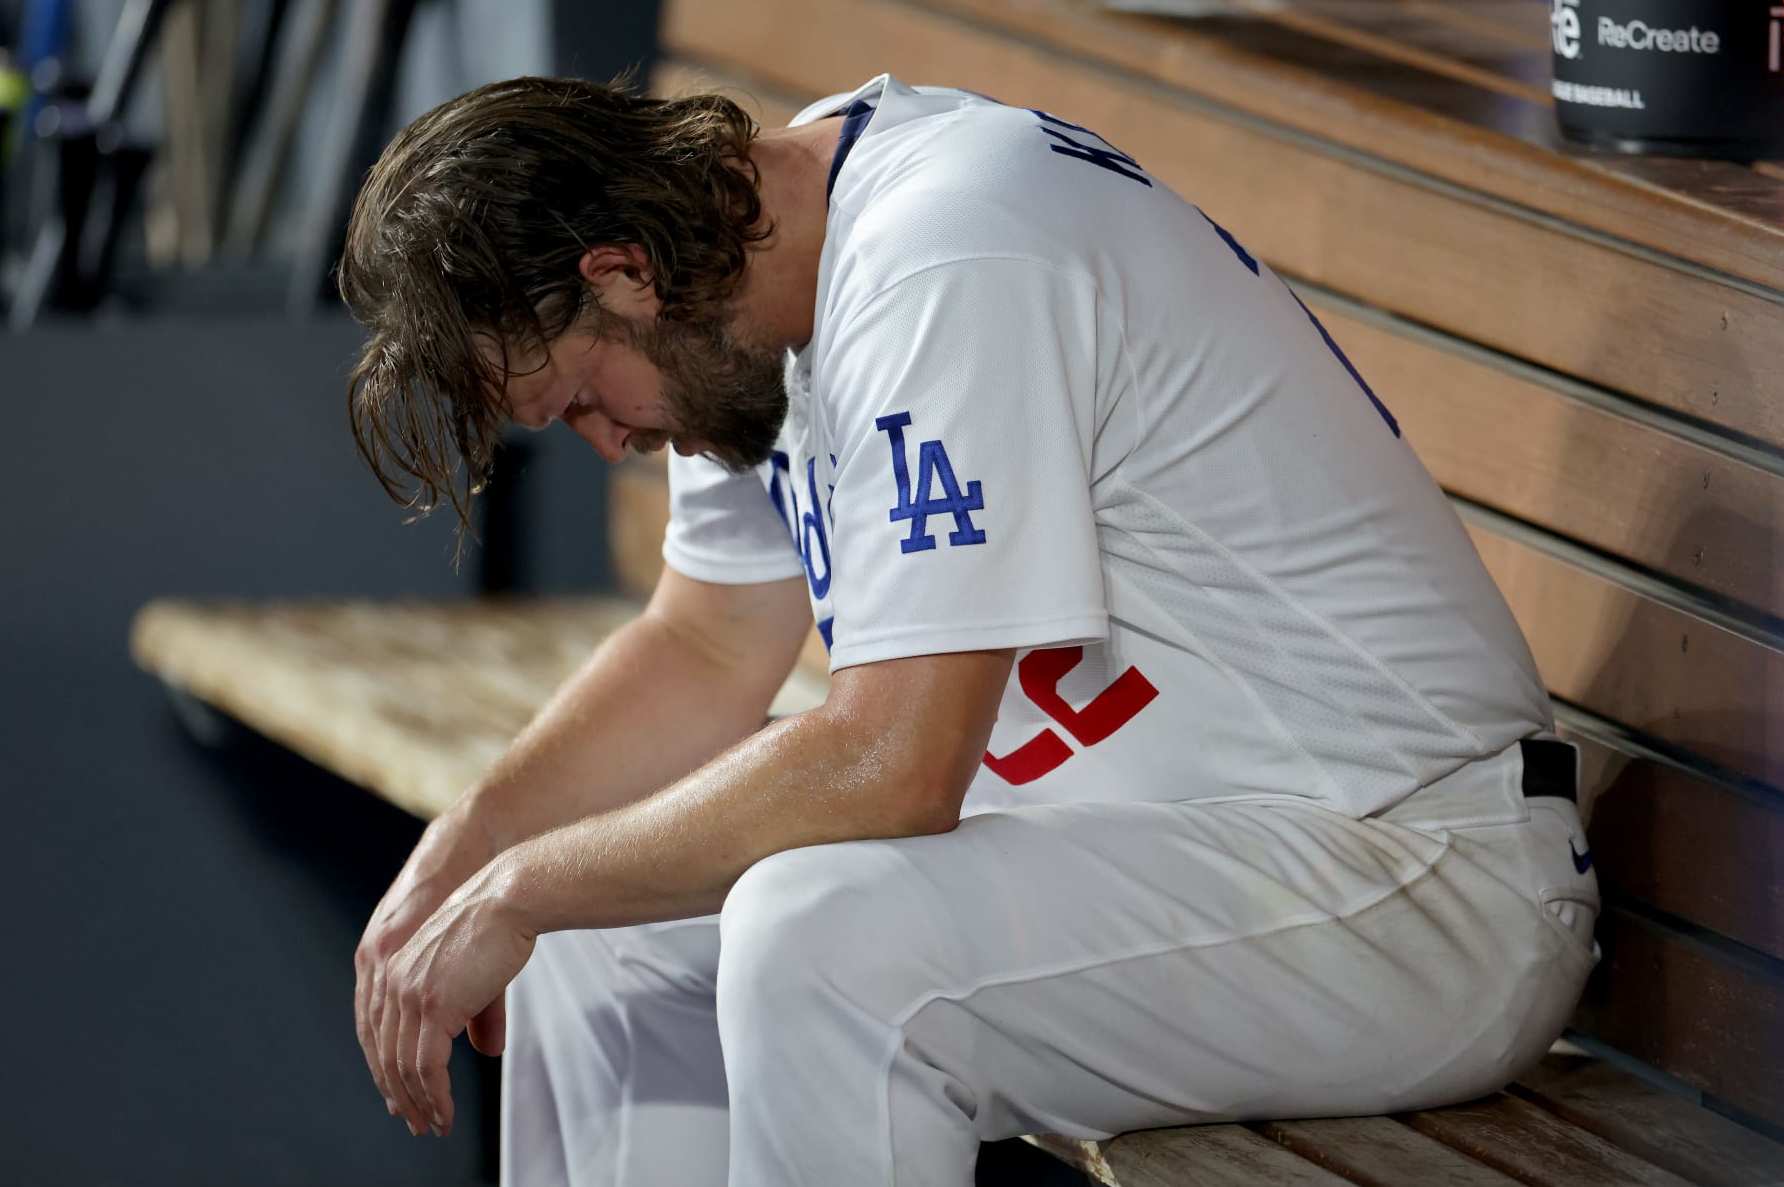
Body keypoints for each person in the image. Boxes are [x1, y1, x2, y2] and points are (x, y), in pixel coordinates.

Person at [339, 73, 1601, 1187]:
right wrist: (477, 850)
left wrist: (522, 886)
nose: (607, 441)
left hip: (1407, 872)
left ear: (621, 272)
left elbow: (898, 764)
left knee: (818, 938)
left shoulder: (944, 250)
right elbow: (709, 643)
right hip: (1179, 855)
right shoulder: (728, 301)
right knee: (590, 928)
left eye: (575, 399)